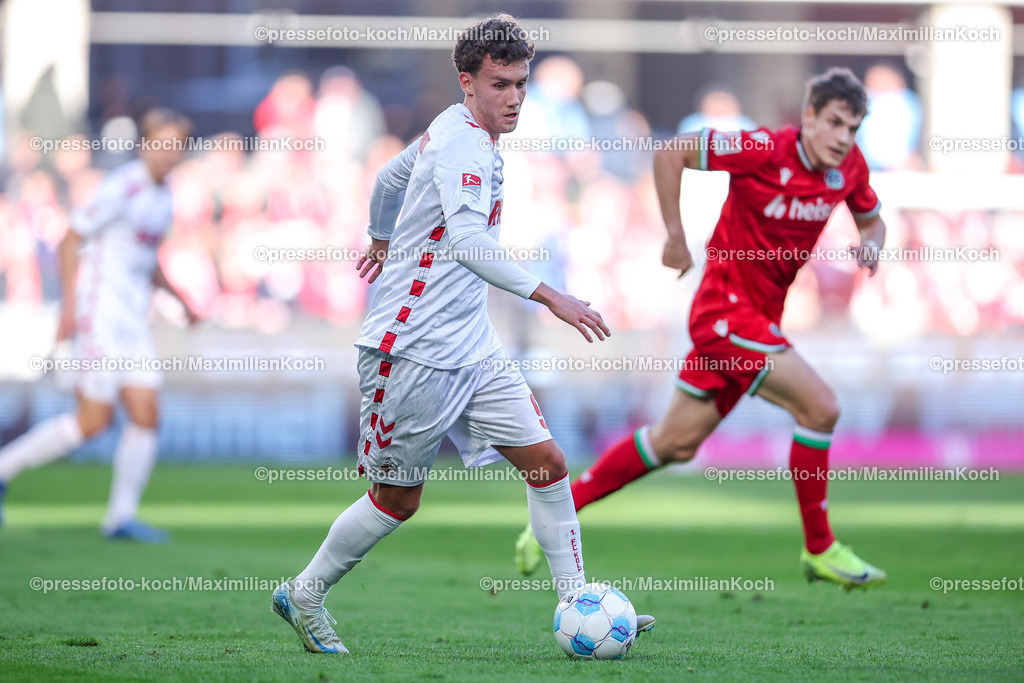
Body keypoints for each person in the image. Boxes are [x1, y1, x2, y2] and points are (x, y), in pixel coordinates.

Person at [270, 14, 653, 654]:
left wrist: (381, 235)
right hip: (412, 348)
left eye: (522, 84)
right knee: (396, 499)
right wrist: (550, 295)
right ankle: (304, 593)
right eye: (500, 84)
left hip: (472, 345)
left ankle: (578, 601)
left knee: (548, 464)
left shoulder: (450, 125)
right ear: (467, 82)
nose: (514, 98)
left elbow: (389, 179)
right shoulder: (464, 145)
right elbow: (471, 243)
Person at [517, 67, 888, 591]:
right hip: (724, 315)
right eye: (834, 123)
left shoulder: (848, 167)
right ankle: (820, 547)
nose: (843, 137)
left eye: (852, 128)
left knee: (673, 443)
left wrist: (871, 244)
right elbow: (672, 153)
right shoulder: (762, 149)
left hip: (760, 319)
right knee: (821, 407)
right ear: (809, 116)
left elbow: (872, 220)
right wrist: (674, 236)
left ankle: (554, 516)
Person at [0, 108, 199, 542]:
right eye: (161, 144)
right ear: (144, 145)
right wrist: (70, 308)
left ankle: (120, 518)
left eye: (176, 146)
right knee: (93, 422)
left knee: (147, 413)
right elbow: (70, 237)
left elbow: (145, 259)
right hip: (101, 316)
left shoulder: (165, 195)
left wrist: (180, 300)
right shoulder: (122, 186)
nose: (168, 153)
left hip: (133, 321)